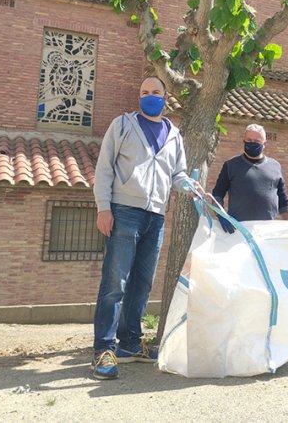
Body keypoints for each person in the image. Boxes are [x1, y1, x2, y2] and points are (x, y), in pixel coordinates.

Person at [91, 76, 201, 380]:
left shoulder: (174, 134)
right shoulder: (123, 125)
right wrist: (103, 207)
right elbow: (104, 167)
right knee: (115, 283)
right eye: (144, 92)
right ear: (138, 97)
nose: (149, 96)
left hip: (156, 216)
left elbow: (176, 175)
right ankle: (103, 348)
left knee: (142, 284)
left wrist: (191, 186)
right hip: (124, 211)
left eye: (155, 92)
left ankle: (128, 344)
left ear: (165, 98)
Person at [211, 124, 288, 233]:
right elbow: (217, 194)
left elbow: (283, 200)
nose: (252, 143)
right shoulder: (231, 165)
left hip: (267, 231)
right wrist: (221, 215)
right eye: (249, 139)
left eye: (257, 141)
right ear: (244, 140)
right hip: (239, 230)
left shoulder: (275, 166)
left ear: (264, 144)